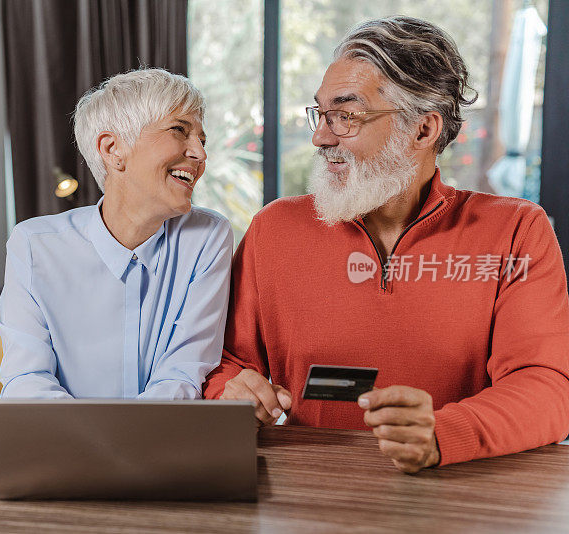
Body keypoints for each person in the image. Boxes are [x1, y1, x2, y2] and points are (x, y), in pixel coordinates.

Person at [203, 16, 569, 473]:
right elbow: (224, 362)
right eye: (320, 113)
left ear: (423, 130)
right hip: (305, 493)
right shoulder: (274, 228)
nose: (320, 136)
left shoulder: (516, 230)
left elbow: (545, 388)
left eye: (346, 115)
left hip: (457, 493)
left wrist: (444, 433)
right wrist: (230, 388)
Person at [0, 68, 233, 400]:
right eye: (179, 130)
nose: (200, 153)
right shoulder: (33, 246)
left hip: (161, 446)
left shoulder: (207, 237)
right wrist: (97, 444)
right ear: (112, 150)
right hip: (65, 448)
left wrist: (120, 443)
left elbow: (184, 371)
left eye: (202, 140)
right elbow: (27, 380)